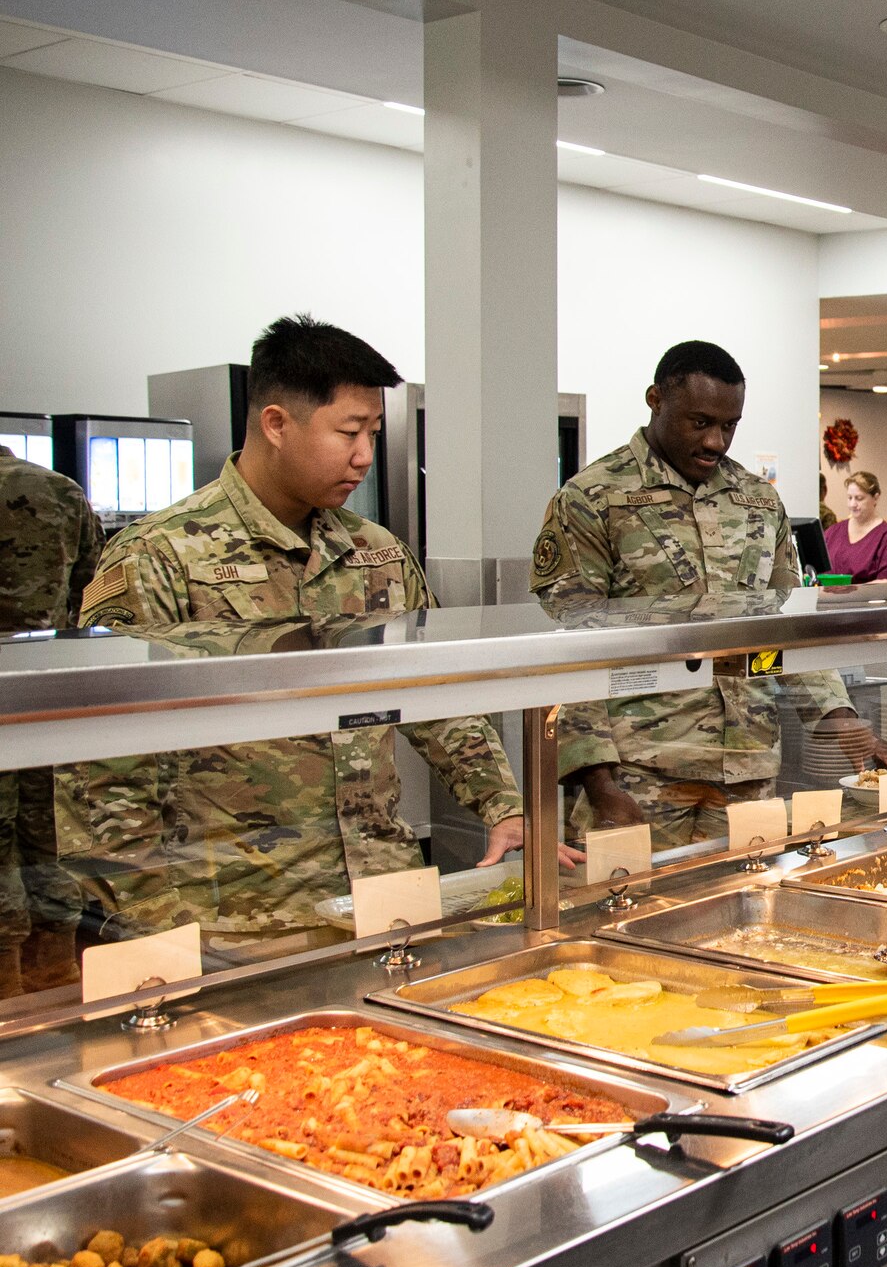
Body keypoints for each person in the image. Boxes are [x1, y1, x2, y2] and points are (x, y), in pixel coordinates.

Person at [58, 315, 546, 942]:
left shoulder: (377, 553)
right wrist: (152, 923)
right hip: (235, 918)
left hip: (385, 894)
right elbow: (100, 767)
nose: (365, 456)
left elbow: (440, 696)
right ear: (277, 424)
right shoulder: (159, 556)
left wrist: (503, 806)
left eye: (373, 432)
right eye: (349, 432)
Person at [531, 340, 887, 848]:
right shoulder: (594, 498)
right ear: (655, 400)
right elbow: (573, 648)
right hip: (640, 772)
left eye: (729, 426)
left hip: (748, 765)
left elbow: (784, 627)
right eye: (699, 422)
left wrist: (844, 722)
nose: (716, 442)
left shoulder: (757, 500)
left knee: (744, 912)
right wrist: (598, 780)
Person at [0, 442, 103, 996]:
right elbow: (92, 609)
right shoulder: (62, 492)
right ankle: (55, 967)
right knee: (50, 835)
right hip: (50, 701)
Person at [828, 471, 887, 583]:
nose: (852, 504)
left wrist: (849, 591)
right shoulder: (833, 532)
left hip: (865, 600)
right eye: (849, 498)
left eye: (859, 498)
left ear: (875, 498)